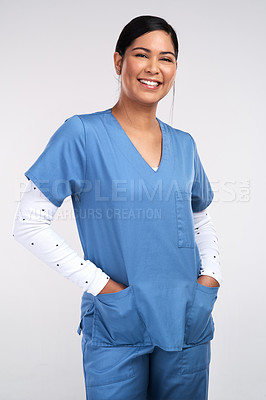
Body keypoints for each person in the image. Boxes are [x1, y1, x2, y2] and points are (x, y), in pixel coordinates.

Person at [12, 15, 223, 400]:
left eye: (167, 58)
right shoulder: (82, 134)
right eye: (142, 54)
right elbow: (28, 224)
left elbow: (199, 217)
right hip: (118, 320)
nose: (154, 68)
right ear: (118, 61)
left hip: (186, 317)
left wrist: (209, 278)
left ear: (175, 68)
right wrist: (103, 288)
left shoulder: (185, 144)